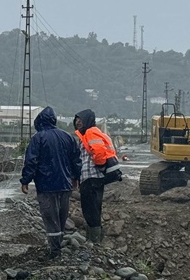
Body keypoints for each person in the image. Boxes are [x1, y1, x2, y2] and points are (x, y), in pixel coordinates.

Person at [20, 106, 82, 260]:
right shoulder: (67, 137)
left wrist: (25, 180)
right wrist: (75, 178)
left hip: (46, 185)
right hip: (65, 185)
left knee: (50, 217)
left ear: (39, 121)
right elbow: (76, 160)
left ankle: (54, 252)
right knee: (61, 217)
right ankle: (58, 246)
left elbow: (31, 161)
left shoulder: (38, 138)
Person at [73, 108, 122, 245]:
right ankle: (93, 241)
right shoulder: (91, 132)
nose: (78, 122)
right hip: (94, 178)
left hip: (91, 177)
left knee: (90, 209)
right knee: (94, 208)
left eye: (80, 119)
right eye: (76, 120)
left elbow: (99, 151)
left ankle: (93, 241)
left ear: (87, 120)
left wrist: (100, 165)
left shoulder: (90, 132)